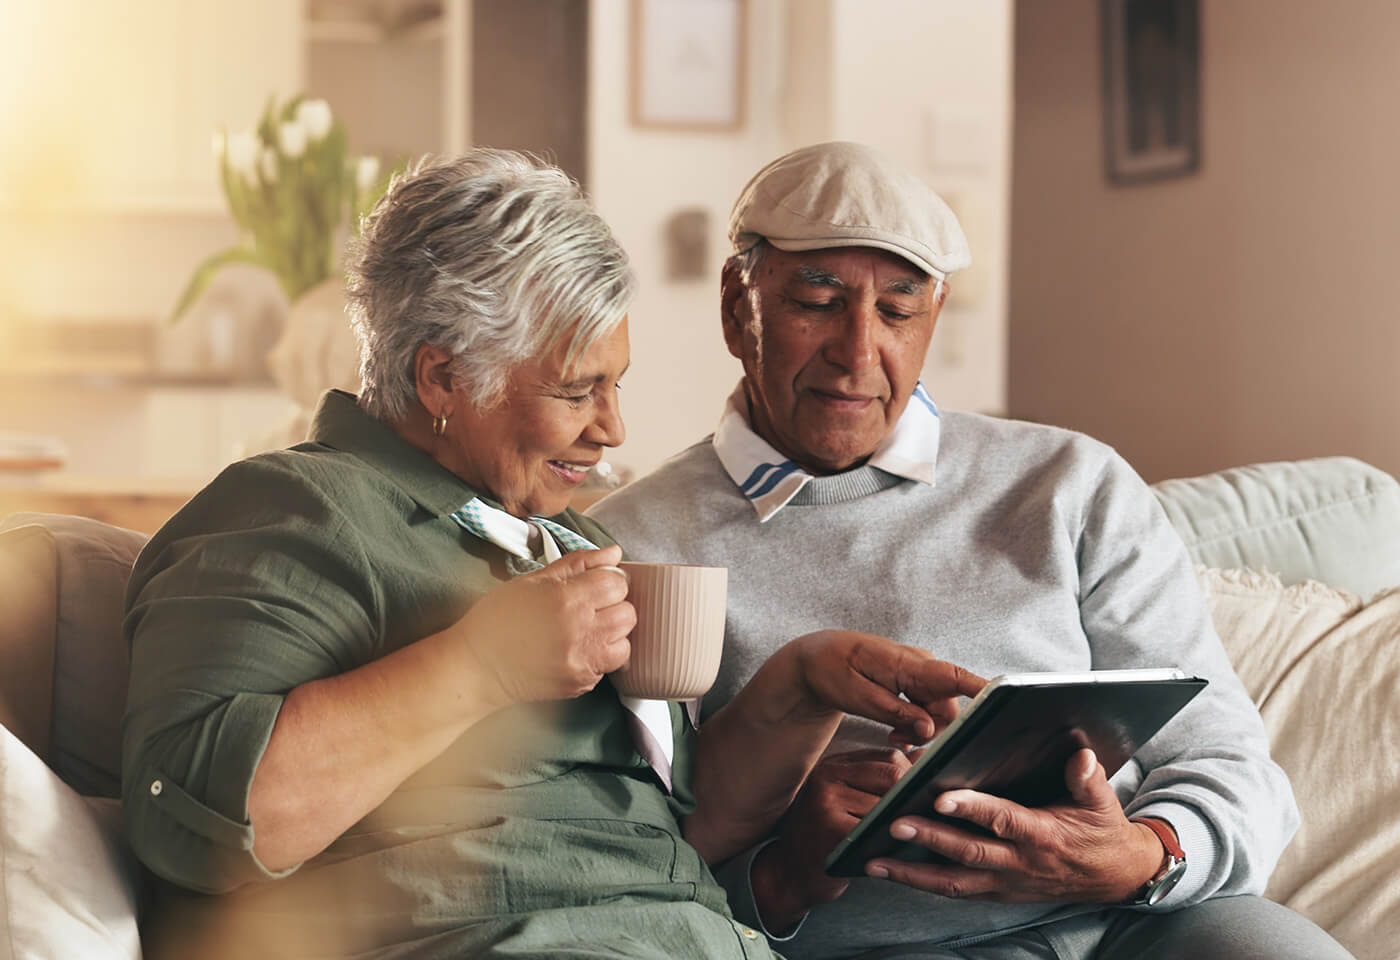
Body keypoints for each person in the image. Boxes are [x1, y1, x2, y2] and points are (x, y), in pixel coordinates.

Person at [119, 148, 982, 959]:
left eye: (617, 385)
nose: (612, 431)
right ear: (442, 379)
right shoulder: (293, 510)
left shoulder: (572, 541)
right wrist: (482, 667)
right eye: (577, 392)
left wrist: (799, 687)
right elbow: (191, 826)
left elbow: (666, 836)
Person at [587, 141, 1355, 960]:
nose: (856, 352)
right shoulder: (633, 542)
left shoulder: (1071, 483)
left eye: (897, 311)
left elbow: (1228, 762)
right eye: (817, 300)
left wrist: (1139, 857)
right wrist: (784, 872)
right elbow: (627, 871)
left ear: (935, 317)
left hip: (1145, 922)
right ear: (738, 310)